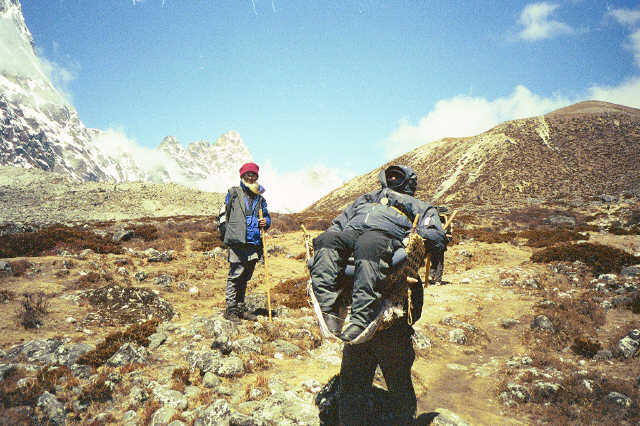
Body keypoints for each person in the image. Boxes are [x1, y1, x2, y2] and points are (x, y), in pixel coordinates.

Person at [310, 164, 447, 342]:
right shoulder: (366, 199)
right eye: (391, 176)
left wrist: (413, 237)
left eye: (398, 176)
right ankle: (330, 311)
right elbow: (339, 222)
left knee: (368, 245)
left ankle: (361, 319)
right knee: (326, 240)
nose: (393, 179)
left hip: (383, 236)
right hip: (351, 233)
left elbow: (436, 235)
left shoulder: (419, 205)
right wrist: (334, 232)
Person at [220, 162, 270, 322]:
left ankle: (240, 308)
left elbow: (267, 217)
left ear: (257, 177)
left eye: (253, 175)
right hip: (238, 241)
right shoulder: (233, 193)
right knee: (235, 275)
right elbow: (223, 214)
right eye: (248, 174)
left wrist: (266, 222)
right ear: (242, 176)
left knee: (245, 276)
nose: (251, 177)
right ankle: (231, 309)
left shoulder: (260, 199)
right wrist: (225, 235)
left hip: (254, 242)